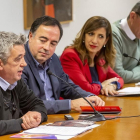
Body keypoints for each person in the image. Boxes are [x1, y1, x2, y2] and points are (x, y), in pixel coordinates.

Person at [21, 16, 105, 115]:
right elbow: (28, 104)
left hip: (55, 119)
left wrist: (89, 97)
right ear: (31, 36)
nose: (47, 47)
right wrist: (71, 104)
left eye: (53, 43)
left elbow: (67, 87)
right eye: (43, 40)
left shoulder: (53, 59)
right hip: (32, 122)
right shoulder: (20, 62)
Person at [60, 16, 124, 96]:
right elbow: (85, 89)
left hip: (97, 102)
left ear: (106, 41)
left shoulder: (100, 58)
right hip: (75, 105)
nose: (94, 40)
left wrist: (112, 85)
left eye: (100, 36)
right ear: (84, 36)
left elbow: (119, 79)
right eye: (91, 34)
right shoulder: (70, 55)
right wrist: (101, 85)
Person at [0, 31, 47, 136]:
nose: (24, 63)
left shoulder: (16, 81)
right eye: (18, 59)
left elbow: (38, 104)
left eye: (24, 57)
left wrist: (36, 114)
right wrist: (22, 123)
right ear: (1, 64)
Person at [112, 2, 140, 83]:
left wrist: (131, 74)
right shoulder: (113, 34)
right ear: (133, 16)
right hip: (112, 91)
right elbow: (118, 75)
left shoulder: (137, 32)